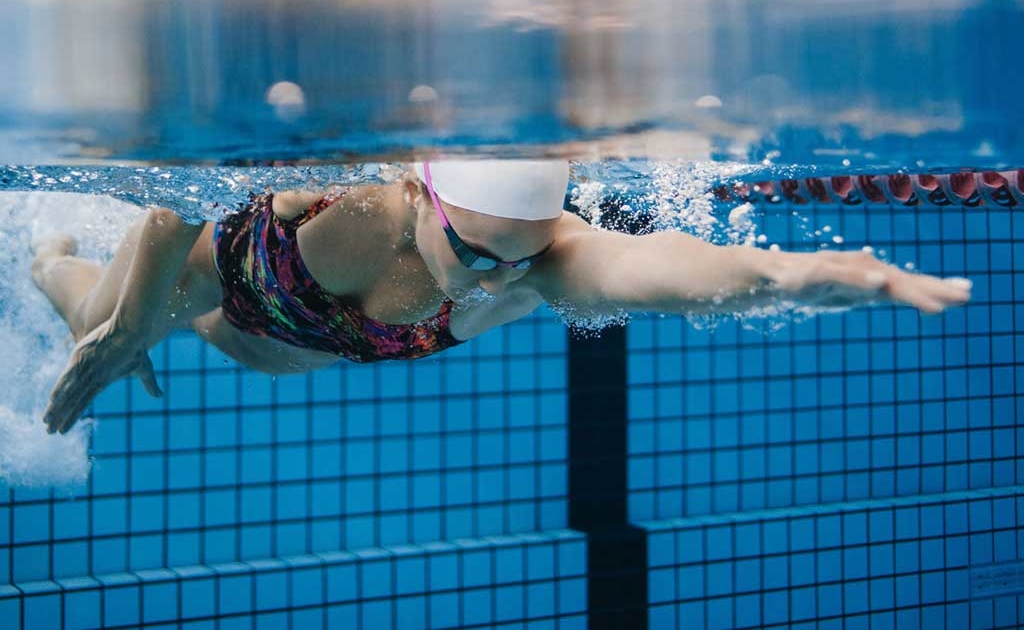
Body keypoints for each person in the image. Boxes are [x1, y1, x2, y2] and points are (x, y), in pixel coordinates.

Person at [31, 160, 972, 434]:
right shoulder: (355, 204)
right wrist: (119, 333)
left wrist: (795, 277)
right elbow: (171, 208)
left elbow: (670, 277)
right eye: (478, 253)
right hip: (208, 274)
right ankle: (46, 251)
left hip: (281, 344)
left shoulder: (538, 259)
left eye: (521, 261)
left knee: (195, 339)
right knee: (91, 323)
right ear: (425, 200)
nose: (497, 280)